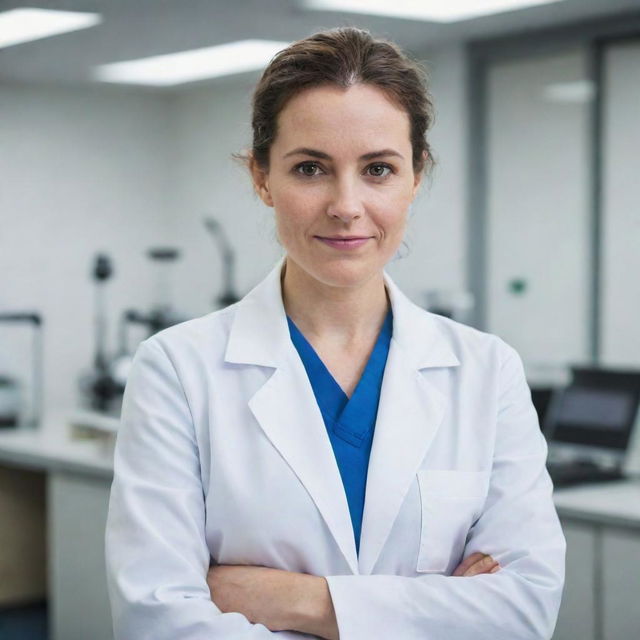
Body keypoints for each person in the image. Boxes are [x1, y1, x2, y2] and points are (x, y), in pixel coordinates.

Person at [105, 26, 565, 640]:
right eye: (311, 168)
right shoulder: (177, 370)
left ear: (415, 177)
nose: (346, 205)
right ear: (262, 178)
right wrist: (432, 608)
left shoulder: (487, 371)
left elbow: (523, 611)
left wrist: (301, 602)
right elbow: (157, 619)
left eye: (378, 169)